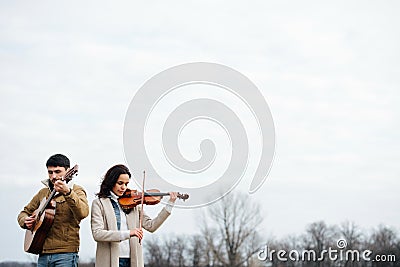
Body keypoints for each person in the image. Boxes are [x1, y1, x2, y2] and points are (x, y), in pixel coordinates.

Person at [91, 164, 178, 267]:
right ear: (111, 182)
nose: (124, 187)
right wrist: (129, 233)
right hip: (109, 260)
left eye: (126, 184)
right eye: (120, 183)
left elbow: (151, 226)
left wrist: (170, 204)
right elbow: (97, 234)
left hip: (133, 260)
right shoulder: (99, 203)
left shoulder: (134, 205)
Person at [17, 154, 89, 267]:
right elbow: (24, 212)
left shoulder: (77, 190)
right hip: (42, 253)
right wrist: (25, 221)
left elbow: (83, 212)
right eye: (50, 172)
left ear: (68, 171)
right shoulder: (43, 193)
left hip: (66, 254)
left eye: (58, 171)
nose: (53, 176)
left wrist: (68, 193)